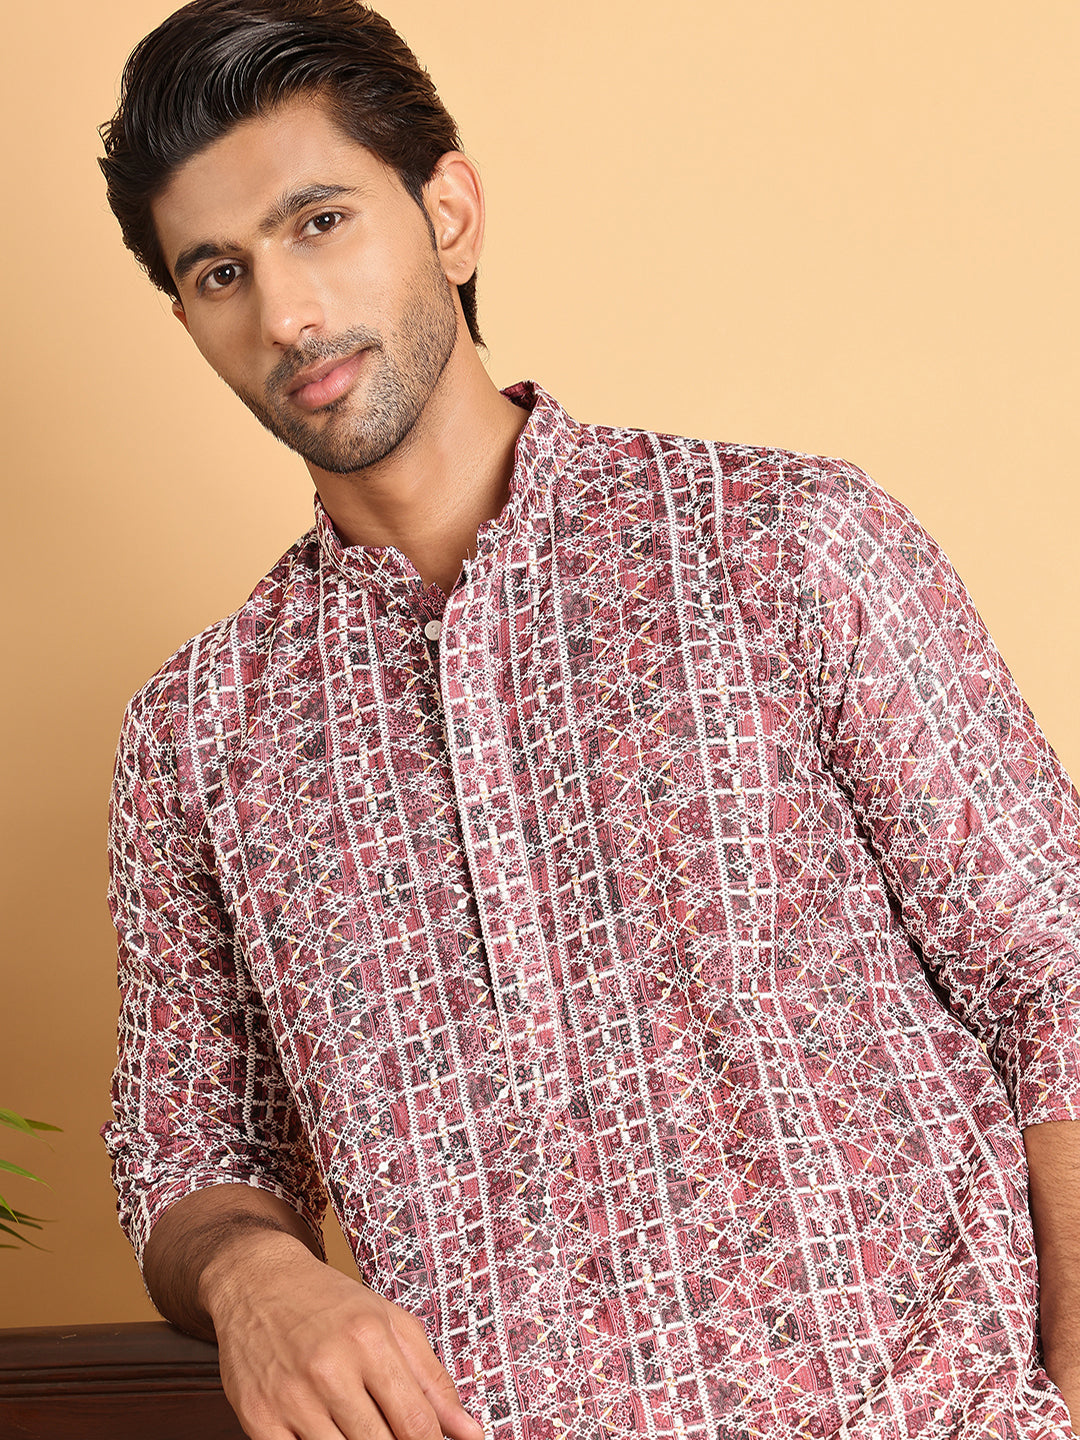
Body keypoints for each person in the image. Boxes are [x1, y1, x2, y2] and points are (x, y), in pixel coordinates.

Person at [98, 3, 1080, 1438]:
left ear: (448, 213)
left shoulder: (784, 544)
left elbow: (1056, 970)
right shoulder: (198, 738)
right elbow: (188, 1144)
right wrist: (251, 1274)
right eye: (221, 272)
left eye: (320, 222)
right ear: (189, 320)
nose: (287, 313)